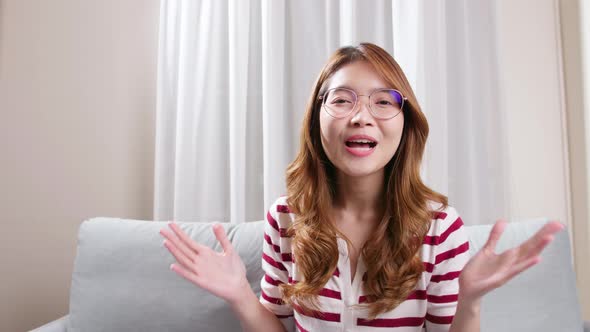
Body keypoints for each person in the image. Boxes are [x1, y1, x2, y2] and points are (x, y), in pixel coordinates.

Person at [159, 43, 564, 332]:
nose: (361, 117)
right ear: (317, 121)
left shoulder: (439, 228)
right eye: (342, 100)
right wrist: (240, 296)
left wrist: (469, 301)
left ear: (406, 124)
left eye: (383, 102)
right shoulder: (285, 218)